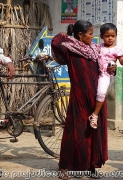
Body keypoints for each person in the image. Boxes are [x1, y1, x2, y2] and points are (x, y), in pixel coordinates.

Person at [51, 20, 116, 179]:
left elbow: (104, 69)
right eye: (89, 34)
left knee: (94, 132)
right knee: (74, 132)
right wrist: (62, 34)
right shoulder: (70, 50)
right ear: (80, 35)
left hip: (96, 99)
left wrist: (110, 69)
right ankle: (64, 167)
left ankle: (91, 167)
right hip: (79, 98)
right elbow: (55, 43)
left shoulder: (95, 50)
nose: (92, 38)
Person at [88, 23, 123, 129]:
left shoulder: (117, 49)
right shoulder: (98, 47)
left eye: (113, 36)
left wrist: (117, 65)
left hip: (105, 75)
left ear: (116, 36)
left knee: (101, 93)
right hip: (93, 73)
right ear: (101, 36)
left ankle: (94, 115)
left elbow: (121, 61)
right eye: (107, 36)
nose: (110, 38)